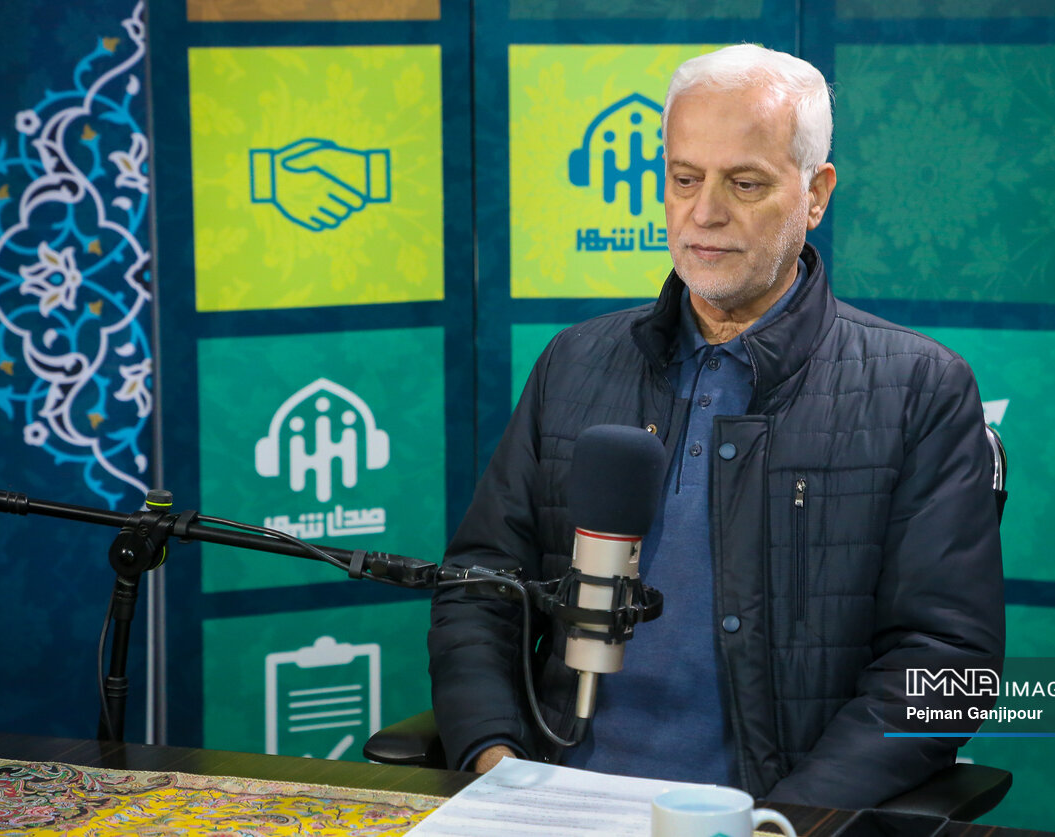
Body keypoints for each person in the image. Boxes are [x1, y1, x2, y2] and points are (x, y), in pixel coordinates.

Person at [427, 43, 1004, 809]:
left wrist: (786, 821)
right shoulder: (574, 363)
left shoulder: (918, 388)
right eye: (684, 178)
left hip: (770, 812)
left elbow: (946, 664)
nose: (705, 213)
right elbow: (478, 589)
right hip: (554, 798)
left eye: (745, 182)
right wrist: (494, 755)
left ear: (816, 193)